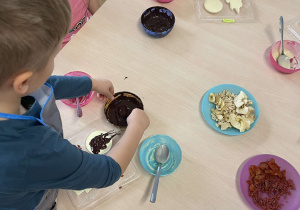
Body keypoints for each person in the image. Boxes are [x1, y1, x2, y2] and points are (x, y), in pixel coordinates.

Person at [0, 0, 150, 210]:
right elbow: (108, 171)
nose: (53, 64)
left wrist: (90, 84)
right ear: (22, 82)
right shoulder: (33, 151)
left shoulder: (9, 86)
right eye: (52, 57)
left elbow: (45, 86)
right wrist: (137, 126)